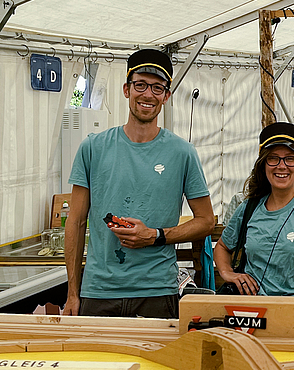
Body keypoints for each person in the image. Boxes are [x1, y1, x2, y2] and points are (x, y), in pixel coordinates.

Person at [63, 49, 214, 318]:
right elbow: (75, 223)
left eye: (157, 88)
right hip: (99, 292)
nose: (147, 95)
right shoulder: (93, 148)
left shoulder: (182, 153)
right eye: (140, 85)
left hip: (156, 291)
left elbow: (206, 221)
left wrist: (155, 236)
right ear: (126, 89)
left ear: (166, 96)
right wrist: (73, 293)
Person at [213, 122, 294, 322]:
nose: (282, 166)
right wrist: (227, 273)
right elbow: (222, 246)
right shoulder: (248, 208)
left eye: (290, 159)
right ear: (263, 164)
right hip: (251, 318)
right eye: (273, 158)